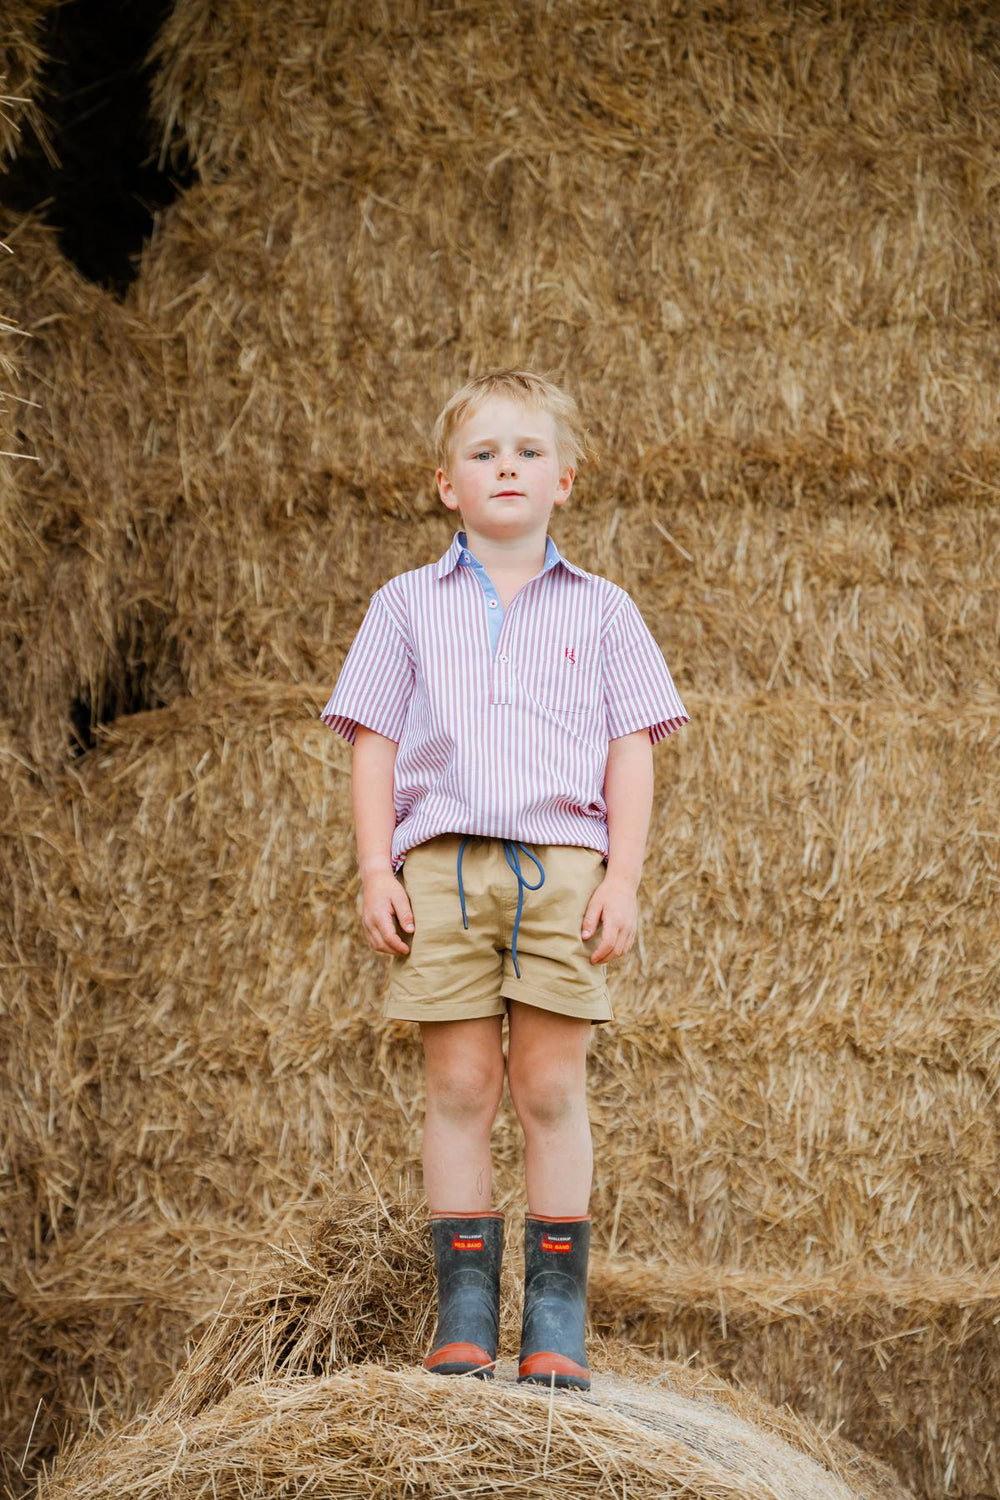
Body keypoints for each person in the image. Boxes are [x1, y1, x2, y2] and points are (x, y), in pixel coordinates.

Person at [320, 368, 689, 1390]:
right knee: (459, 1085)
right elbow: (373, 743)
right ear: (448, 485)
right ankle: (466, 1312)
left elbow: (632, 748)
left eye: (527, 452)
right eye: (483, 454)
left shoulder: (605, 610)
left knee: (549, 1084)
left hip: (563, 868)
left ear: (565, 480)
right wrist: (372, 865)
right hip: (439, 867)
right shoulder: (402, 606)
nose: (506, 468)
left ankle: (556, 1314)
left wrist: (623, 877)